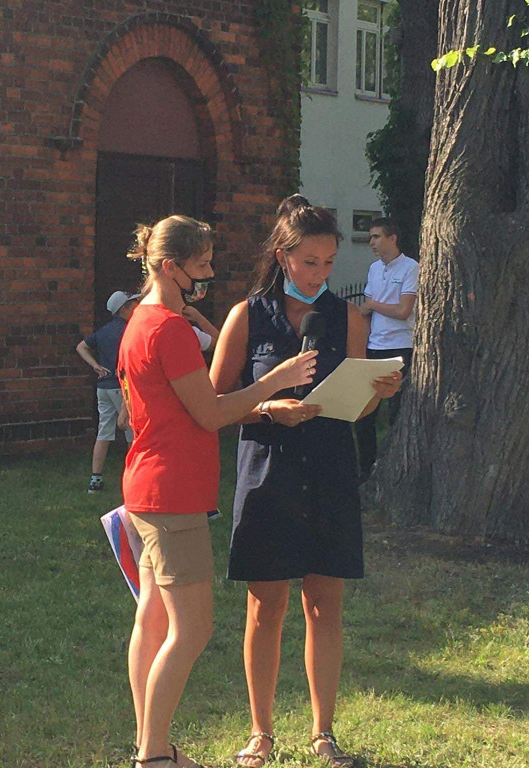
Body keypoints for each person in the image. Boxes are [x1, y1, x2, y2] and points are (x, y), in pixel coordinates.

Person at [117, 215, 317, 768]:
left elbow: (188, 412)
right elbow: (208, 413)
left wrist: (260, 407)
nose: (208, 274)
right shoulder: (170, 329)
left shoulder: (142, 321)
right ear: (169, 266)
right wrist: (275, 380)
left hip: (147, 485)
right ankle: (154, 754)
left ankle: (150, 745)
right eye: (201, 265)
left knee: (153, 619)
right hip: (171, 493)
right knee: (192, 628)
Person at [210, 196, 402, 768]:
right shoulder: (248, 314)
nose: (320, 274)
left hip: (329, 469)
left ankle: (323, 734)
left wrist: (375, 394)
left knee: (324, 603)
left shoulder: (349, 317)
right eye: (309, 262)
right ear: (282, 255)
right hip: (268, 468)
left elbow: (358, 409)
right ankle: (261, 733)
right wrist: (270, 406)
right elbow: (215, 405)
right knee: (265, 605)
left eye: (328, 263)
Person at [354, 217, 417, 480]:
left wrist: (372, 306)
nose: (372, 243)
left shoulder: (410, 268)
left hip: (401, 347)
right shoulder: (373, 269)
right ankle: (367, 471)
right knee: (364, 414)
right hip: (374, 346)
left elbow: (404, 310)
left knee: (397, 414)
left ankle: (397, 471)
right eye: (370, 237)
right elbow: (367, 311)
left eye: (377, 236)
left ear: (393, 238)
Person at [75, 290, 139, 493]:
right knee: (133, 434)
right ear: (125, 309)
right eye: (133, 304)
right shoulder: (130, 330)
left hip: (103, 387)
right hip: (123, 387)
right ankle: (133, 480)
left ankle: (95, 479)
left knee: (104, 431)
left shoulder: (103, 332)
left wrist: (95, 365)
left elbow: (81, 347)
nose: (136, 307)